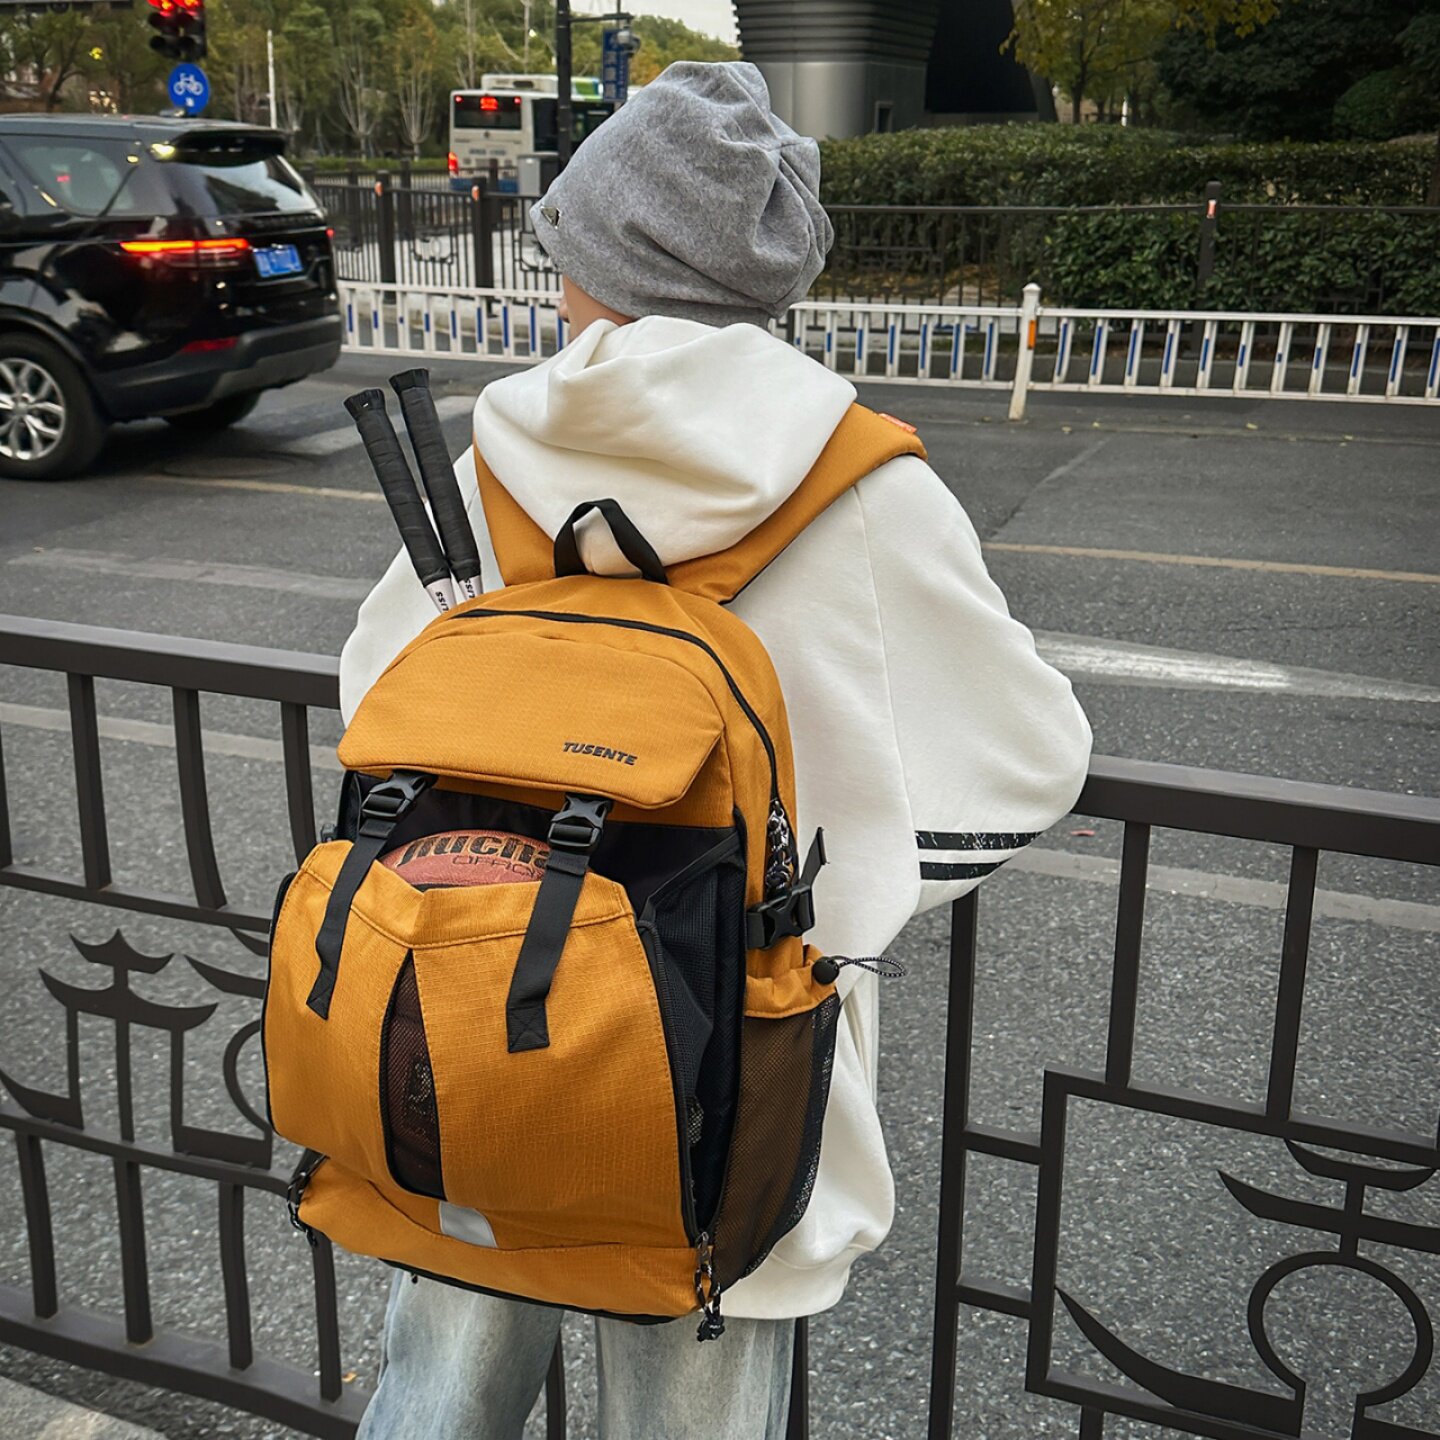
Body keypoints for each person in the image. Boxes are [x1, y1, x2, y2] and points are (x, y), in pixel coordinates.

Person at [340, 61, 1091, 1440]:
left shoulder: (501, 450)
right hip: (728, 1031)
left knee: (442, 1376)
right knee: (696, 1367)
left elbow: (375, 698)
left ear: (608, 257)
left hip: (478, 985)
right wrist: (839, 900)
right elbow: (1027, 758)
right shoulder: (858, 476)